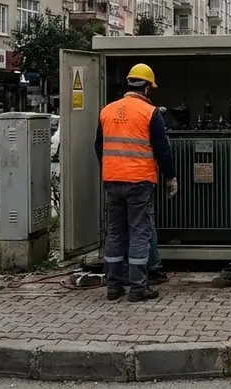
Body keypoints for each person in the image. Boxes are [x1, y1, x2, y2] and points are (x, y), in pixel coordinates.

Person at [96, 63, 177, 302]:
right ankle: (138, 288)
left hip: (112, 181)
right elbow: (163, 149)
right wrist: (170, 176)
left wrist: (109, 169)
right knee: (140, 233)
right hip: (139, 181)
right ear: (148, 88)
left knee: (115, 233)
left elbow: (98, 146)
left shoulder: (107, 111)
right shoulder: (150, 113)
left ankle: (113, 287)